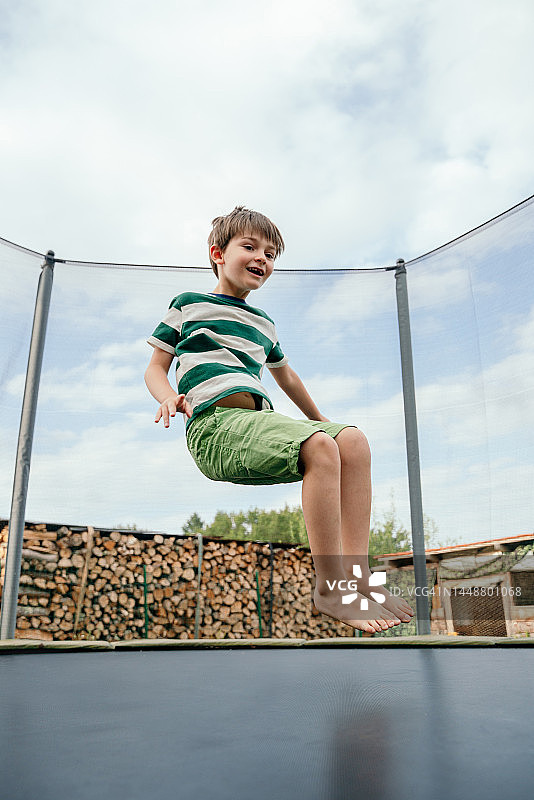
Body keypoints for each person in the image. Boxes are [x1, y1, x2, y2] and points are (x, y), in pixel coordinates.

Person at [145, 206, 414, 633]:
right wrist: (167, 397)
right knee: (320, 446)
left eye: (270, 254)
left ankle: (357, 579)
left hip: (257, 425)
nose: (262, 259)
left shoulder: (263, 323)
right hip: (214, 428)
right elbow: (155, 368)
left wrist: (321, 419)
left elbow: (286, 376)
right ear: (218, 253)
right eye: (250, 247)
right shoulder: (188, 305)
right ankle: (330, 589)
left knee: (352, 440)